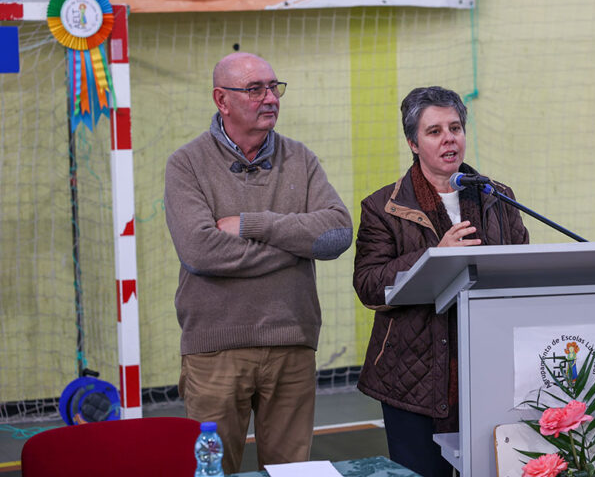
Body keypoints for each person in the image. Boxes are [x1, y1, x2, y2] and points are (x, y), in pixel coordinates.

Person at [164, 52, 352, 474]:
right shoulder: (186, 164)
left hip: (293, 346)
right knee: (214, 471)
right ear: (221, 99)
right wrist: (296, 245)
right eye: (255, 89)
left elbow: (338, 233)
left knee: (290, 472)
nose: (270, 98)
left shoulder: (300, 159)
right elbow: (200, 250)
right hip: (214, 353)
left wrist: (254, 224)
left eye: (274, 87)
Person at [353, 86, 529, 477]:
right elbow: (368, 285)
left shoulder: (498, 197)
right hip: (411, 380)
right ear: (413, 143)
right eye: (435, 131)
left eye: (455, 128)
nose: (449, 138)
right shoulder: (383, 207)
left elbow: (522, 267)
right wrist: (434, 256)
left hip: (490, 369)